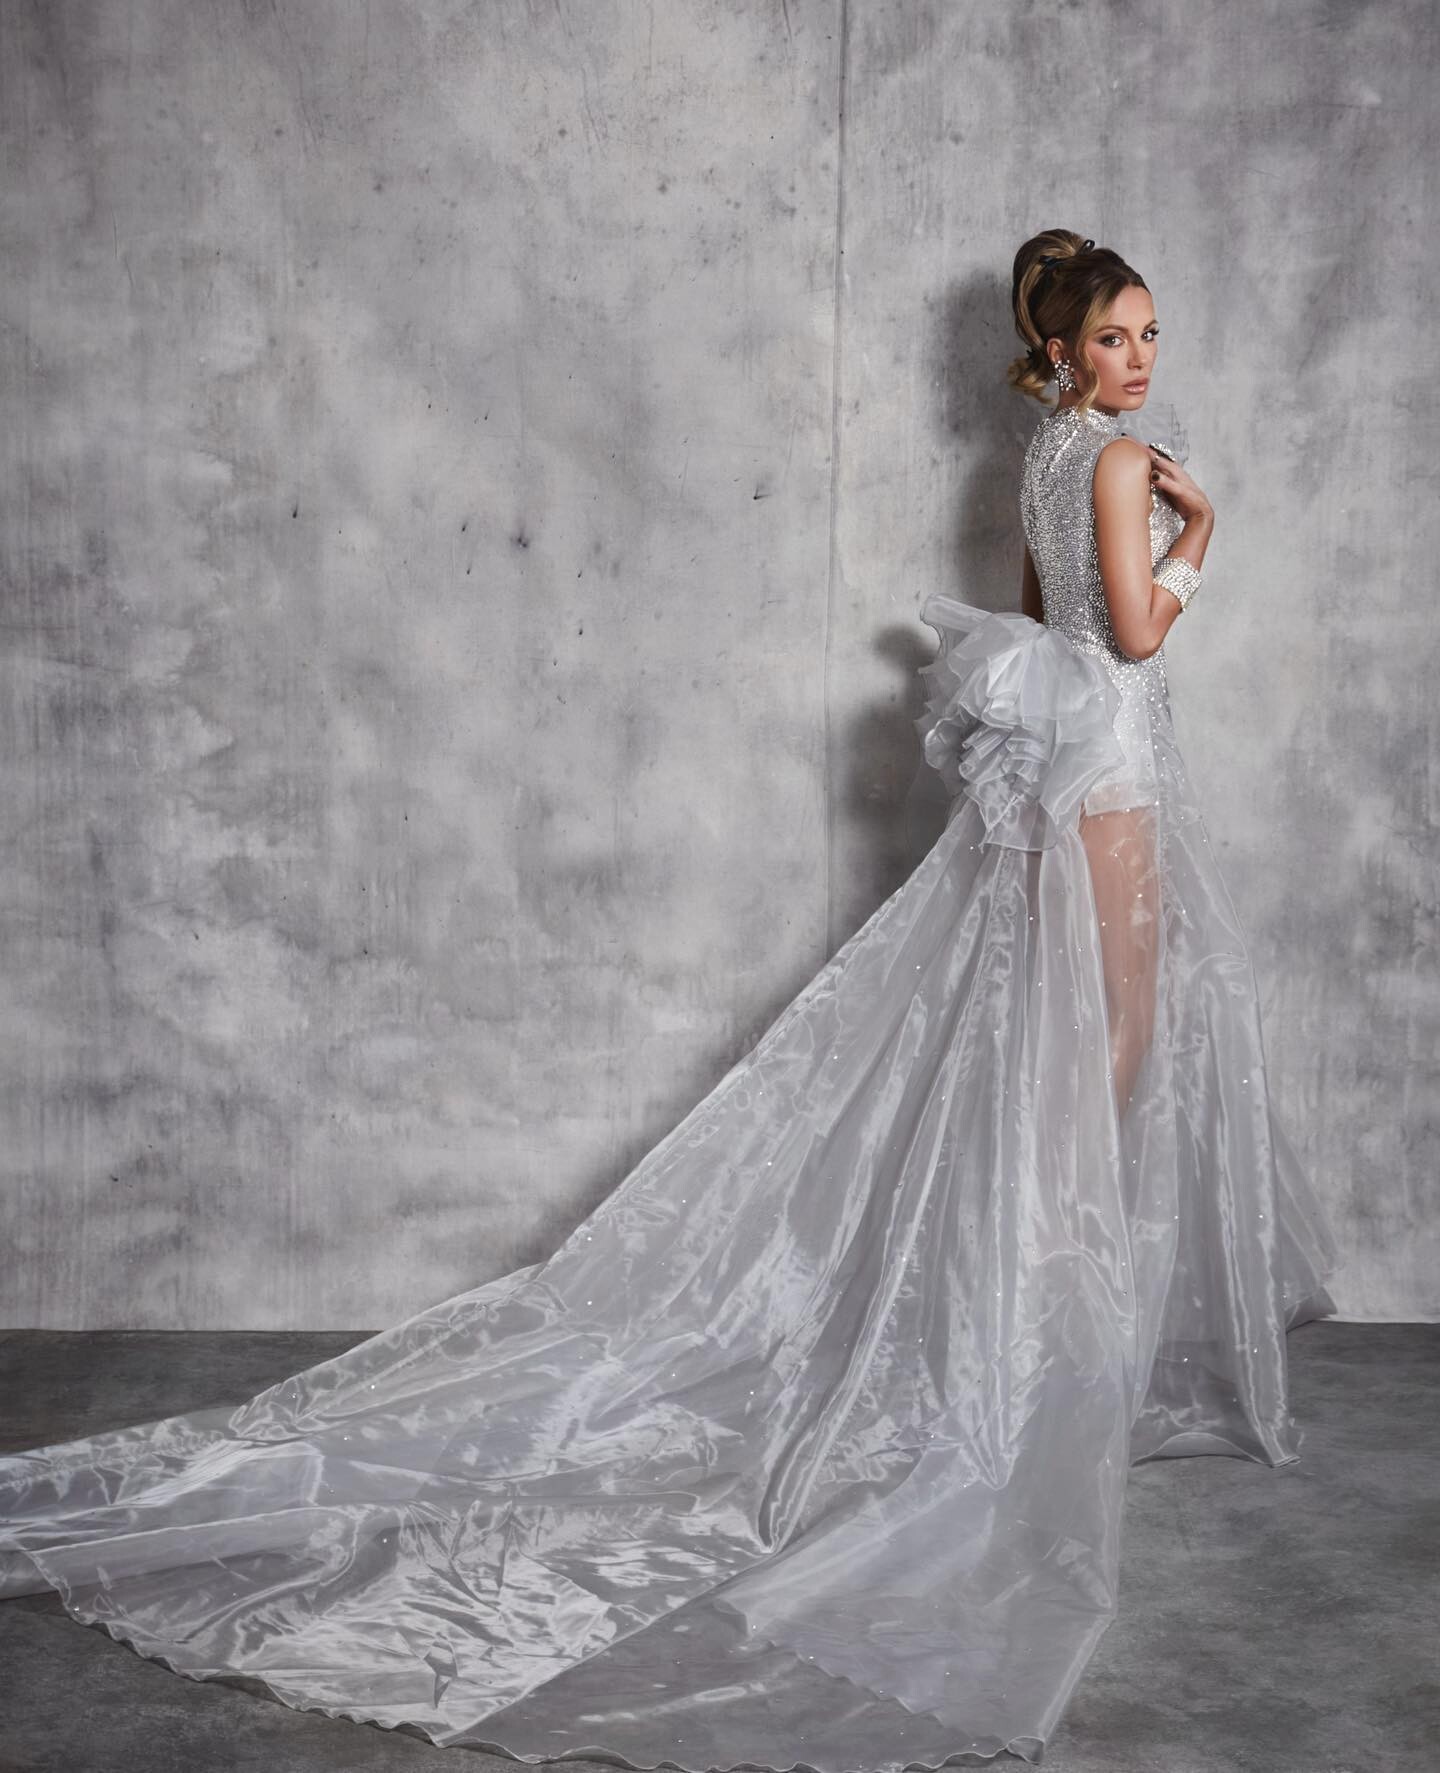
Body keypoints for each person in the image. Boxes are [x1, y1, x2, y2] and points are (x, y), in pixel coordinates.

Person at [0, 229, 1339, 1769]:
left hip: (1070, 756)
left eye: (1150, 335)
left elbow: (1037, 614)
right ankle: (1056, 1354)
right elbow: (1137, 631)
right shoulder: (1114, 464)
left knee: (1054, 1049)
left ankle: (1036, 1334)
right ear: (1061, 352)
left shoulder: (1043, 456)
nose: (1140, 360)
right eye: (1114, 339)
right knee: (1111, 1052)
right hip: (1107, 770)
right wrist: (1199, 530)